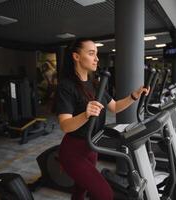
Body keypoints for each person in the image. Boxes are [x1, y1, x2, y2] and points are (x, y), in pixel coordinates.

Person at [56, 38, 149, 200]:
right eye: (91, 53)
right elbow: (65, 125)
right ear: (76, 57)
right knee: (104, 194)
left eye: (96, 54)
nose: (97, 58)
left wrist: (134, 96)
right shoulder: (66, 86)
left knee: (80, 189)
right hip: (73, 150)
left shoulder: (95, 84)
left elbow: (115, 106)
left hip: (92, 146)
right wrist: (85, 114)